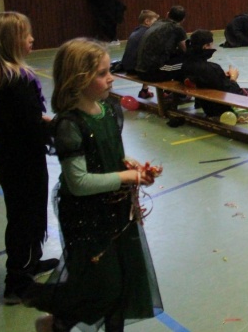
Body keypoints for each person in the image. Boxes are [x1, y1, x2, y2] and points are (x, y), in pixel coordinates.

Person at [28, 38, 163, 332]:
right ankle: (56, 324)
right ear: (78, 80)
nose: (111, 78)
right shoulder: (69, 125)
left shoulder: (110, 111)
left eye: (108, 70)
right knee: (103, 287)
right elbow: (78, 182)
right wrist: (126, 178)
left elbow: (110, 153)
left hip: (117, 211)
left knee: (122, 286)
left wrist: (132, 166)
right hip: (86, 216)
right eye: (102, 73)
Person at [0, 12, 58, 304]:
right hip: (22, 159)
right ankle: (17, 281)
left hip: (13, 155)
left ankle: (31, 262)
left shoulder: (2, 75)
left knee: (29, 212)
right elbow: (30, 125)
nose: (32, 39)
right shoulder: (14, 80)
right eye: (26, 35)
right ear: (10, 42)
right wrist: (61, 128)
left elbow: (26, 117)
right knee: (25, 217)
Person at [182, 30, 248, 117]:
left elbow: (210, 80)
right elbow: (233, 92)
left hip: (210, 103)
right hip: (227, 104)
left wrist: (222, 76)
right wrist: (233, 77)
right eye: (211, 44)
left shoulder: (188, 64)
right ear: (205, 46)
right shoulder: (210, 68)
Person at [135, 5, 187, 82]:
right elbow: (186, 49)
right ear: (183, 20)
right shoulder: (177, 28)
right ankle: (183, 88)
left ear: (167, 14)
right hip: (151, 73)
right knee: (188, 63)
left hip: (139, 70)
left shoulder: (157, 23)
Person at [120, 10, 159, 99]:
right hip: (136, 68)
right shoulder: (149, 33)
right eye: (155, 22)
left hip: (127, 65)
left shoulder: (136, 30)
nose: (156, 24)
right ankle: (167, 93)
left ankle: (144, 90)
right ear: (147, 21)